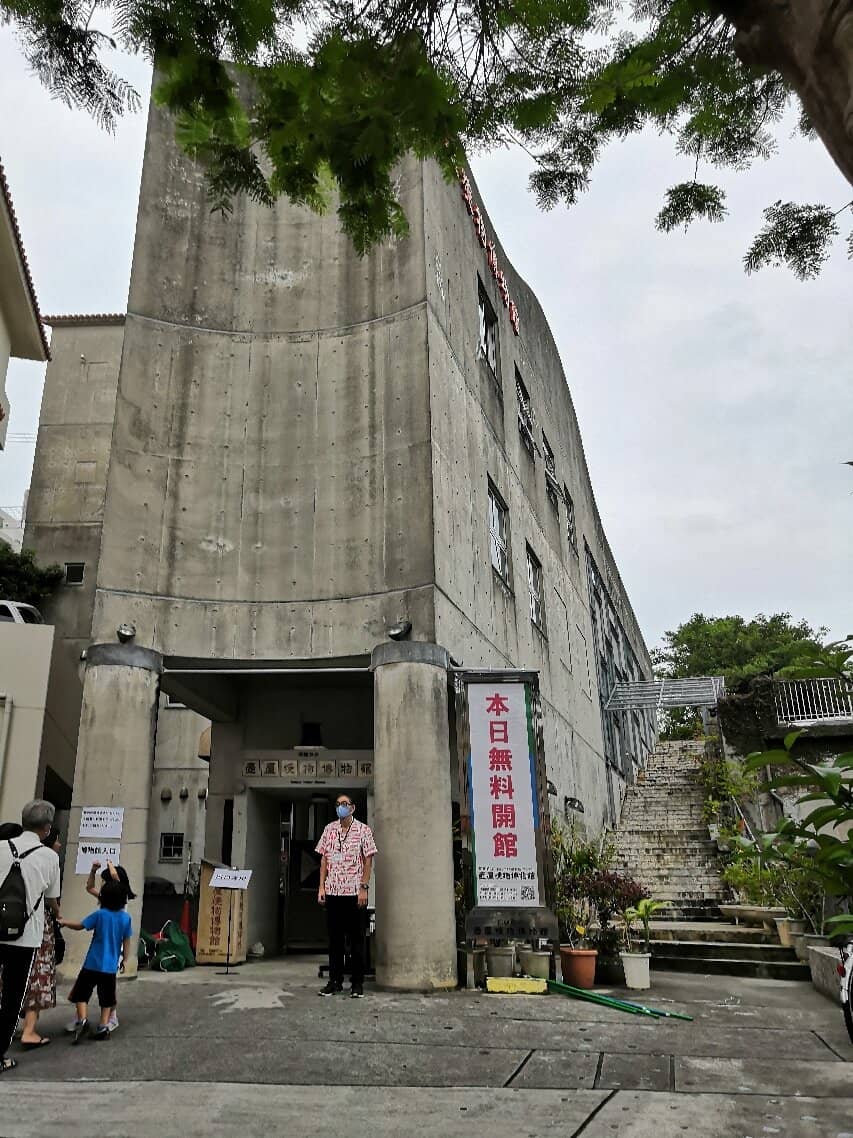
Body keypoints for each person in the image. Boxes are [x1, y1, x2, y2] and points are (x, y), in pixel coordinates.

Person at [0, 800, 61, 1074]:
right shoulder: (49, 857)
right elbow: (51, 899)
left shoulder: (0, 848)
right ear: (47, 828)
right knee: (12, 997)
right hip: (25, 937)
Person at [316, 794, 377, 998]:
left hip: (354, 893)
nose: (341, 807)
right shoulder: (329, 829)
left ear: (352, 808)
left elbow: (368, 861)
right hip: (333, 891)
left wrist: (364, 888)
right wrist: (321, 887)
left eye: (345, 804)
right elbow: (324, 860)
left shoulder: (363, 830)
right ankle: (335, 981)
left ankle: (357, 983)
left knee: (356, 939)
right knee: (335, 940)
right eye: (338, 804)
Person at [60, 877, 132, 1043]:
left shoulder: (100, 915)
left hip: (92, 963)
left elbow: (80, 925)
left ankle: (83, 1020)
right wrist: (125, 960)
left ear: (103, 898)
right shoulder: (125, 919)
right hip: (110, 967)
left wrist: (64, 922)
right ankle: (103, 1025)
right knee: (107, 998)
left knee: (81, 993)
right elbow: (126, 941)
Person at [18, 825, 63, 1048]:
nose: (59, 844)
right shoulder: (48, 859)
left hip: (12, 922)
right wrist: (57, 912)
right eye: (57, 839)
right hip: (37, 926)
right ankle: (29, 1030)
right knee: (37, 975)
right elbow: (53, 899)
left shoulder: (14, 853)